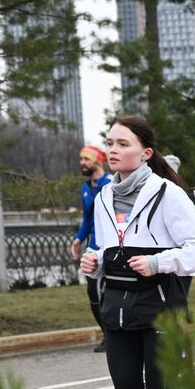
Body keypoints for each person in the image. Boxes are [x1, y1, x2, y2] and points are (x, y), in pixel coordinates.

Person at [80, 116, 195, 389]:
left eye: (123, 143)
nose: (113, 149)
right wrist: (94, 261)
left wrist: (158, 262)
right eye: (110, 142)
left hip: (159, 308)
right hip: (118, 309)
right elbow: (108, 250)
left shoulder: (167, 194)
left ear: (146, 153)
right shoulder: (105, 195)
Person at [71, 145, 112, 352]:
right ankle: (107, 334)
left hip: (112, 248)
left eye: (86, 159)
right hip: (92, 249)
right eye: (81, 159)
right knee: (94, 294)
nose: (82, 163)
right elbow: (87, 219)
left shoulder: (112, 183)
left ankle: (116, 333)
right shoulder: (85, 188)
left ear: (98, 161)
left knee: (112, 292)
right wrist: (78, 239)